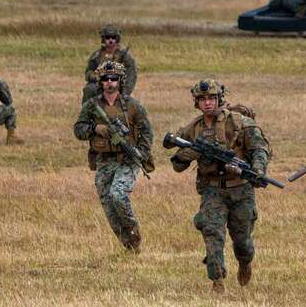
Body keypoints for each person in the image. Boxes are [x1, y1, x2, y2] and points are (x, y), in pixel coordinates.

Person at [171, 80, 270, 294]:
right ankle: (217, 281)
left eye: (212, 98)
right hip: (213, 190)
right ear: (196, 102)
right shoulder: (192, 129)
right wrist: (190, 154)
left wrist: (258, 169)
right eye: (203, 99)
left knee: (242, 241)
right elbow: (177, 165)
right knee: (212, 233)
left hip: (241, 190)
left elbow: (260, 149)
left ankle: (245, 262)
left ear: (219, 99)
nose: (207, 103)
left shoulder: (239, 122)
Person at [74, 60, 153, 252]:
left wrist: (141, 153)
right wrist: (95, 129)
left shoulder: (133, 106)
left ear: (120, 80)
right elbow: (78, 130)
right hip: (104, 160)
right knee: (108, 205)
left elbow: (146, 132)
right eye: (105, 78)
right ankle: (129, 245)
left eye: (113, 78)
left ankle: (133, 230)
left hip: (127, 159)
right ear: (100, 81)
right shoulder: (92, 106)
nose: (109, 82)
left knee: (118, 194)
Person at [82, 24, 138, 104]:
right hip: (100, 86)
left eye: (113, 37)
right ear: (103, 39)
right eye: (107, 37)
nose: (110, 40)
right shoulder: (96, 56)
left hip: (118, 86)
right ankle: (87, 111)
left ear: (117, 39)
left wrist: (125, 92)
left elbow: (131, 75)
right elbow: (88, 72)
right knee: (89, 89)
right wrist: (94, 76)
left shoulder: (125, 56)